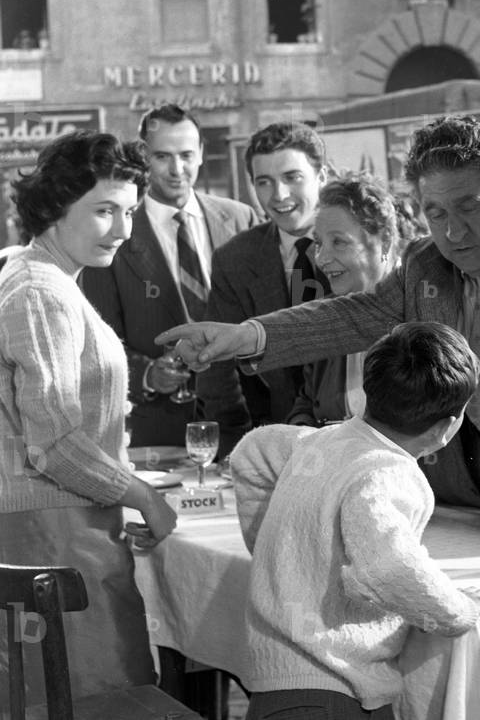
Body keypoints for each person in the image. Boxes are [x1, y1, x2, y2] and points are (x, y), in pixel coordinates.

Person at [158, 116, 480, 534]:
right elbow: (349, 315)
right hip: (457, 502)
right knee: (461, 601)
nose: (453, 230)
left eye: (469, 207)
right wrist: (245, 335)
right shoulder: (425, 266)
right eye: (435, 213)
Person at [234, 321, 480, 720]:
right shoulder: (388, 471)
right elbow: (388, 568)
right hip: (332, 690)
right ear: (448, 426)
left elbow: (251, 453)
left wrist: (277, 549)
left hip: (276, 680)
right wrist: (457, 611)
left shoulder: (321, 440)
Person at [0, 131, 178, 710]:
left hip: (58, 528)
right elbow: (54, 444)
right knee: (96, 702)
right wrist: (142, 495)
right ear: (53, 207)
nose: (123, 231)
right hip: (54, 534)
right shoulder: (39, 292)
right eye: (104, 211)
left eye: (129, 212)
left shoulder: (27, 273)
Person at [81, 105, 259, 447]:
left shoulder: (241, 220)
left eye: (186, 155)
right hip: (161, 432)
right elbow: (99, 341)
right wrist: (147, 374)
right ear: (144, 157)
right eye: (163, 156)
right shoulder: (113, 235)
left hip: (246, 424)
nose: (177, 170)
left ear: (203, 154)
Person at [197, 122, 331, 454]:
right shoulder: (236, 258)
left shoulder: (361, 243)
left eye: (292, 178)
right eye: (264, 182)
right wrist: (240, 447)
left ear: (322, 177)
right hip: (280, 442)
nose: (279, 195)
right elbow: (219, 369)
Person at [287, 174, 401, 426]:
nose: (321, 259)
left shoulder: (423, 308)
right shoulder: (323, 315)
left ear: (384, 242)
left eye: (338, 242)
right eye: (319, 243)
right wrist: (302, 431)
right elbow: (306, 402)